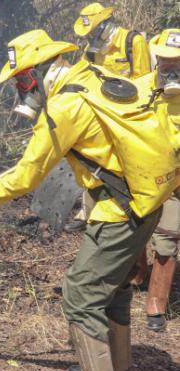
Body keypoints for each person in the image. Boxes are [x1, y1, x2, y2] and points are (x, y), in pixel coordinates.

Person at [0, 29, 180, 371]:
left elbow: (23, 178)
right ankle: (117, 369)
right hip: (147, 202)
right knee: (115, 285)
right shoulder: (94, 74)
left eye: (20, 81)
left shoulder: (64, 108)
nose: (19, 90)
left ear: (34, 74)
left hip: (121, 212)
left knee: (80, 294)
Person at [64, 2, 151, 233]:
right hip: (99, 113)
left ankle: (132, 205)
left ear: (104, 25)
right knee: (91, 160)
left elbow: (143, 81)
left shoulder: (132, 41)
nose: (90, 36)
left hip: (126, 115)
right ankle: (88, 211)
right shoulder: (91, 49)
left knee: (125, 164)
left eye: (93, 30)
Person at [136, 29, 180, 332]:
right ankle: (135, 279)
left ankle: (156, 306)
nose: (169, 65)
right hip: (143, 175)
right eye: (164, 59)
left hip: (176, 180)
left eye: (176, 60)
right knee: (134, 231)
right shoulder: (140, 88)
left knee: (167, 240)